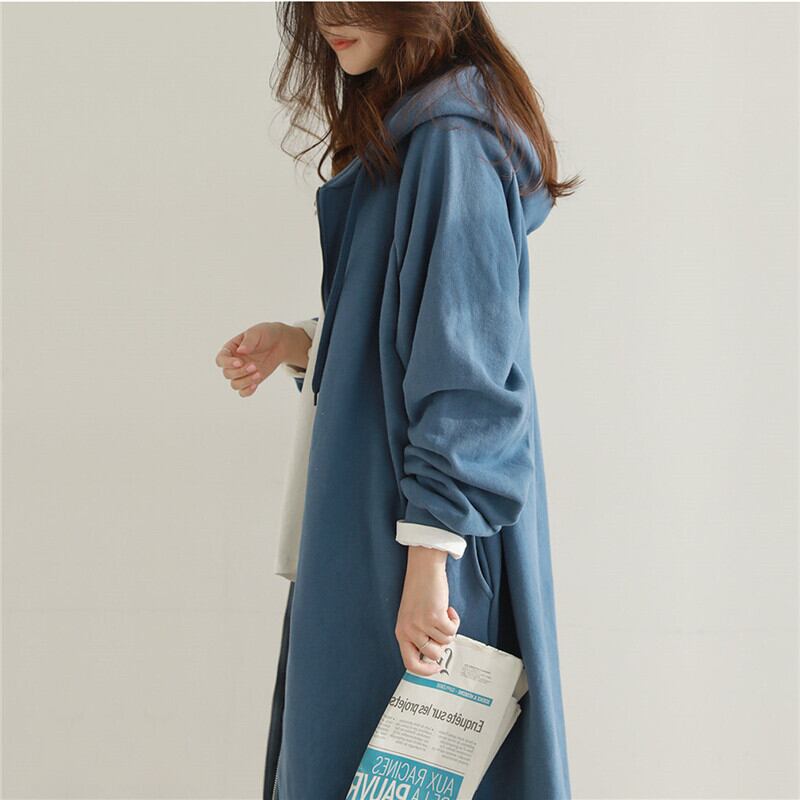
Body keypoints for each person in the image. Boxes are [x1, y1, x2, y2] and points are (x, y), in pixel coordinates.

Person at [214, 3, 581, 798]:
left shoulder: (451, 138)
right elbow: (410, 334)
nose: (331, 14)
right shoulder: (416, 129)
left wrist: (428, 566)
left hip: (417, 547)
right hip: (386, 530)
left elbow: (468, 375)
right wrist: (302, 342)